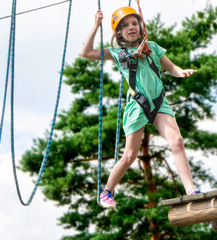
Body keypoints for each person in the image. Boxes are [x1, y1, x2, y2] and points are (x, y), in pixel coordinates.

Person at [80, 7, 199, 209]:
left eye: (134, 23)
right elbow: (86, 53)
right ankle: (107, 191)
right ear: (119, 33)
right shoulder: (118, 53)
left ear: (140, 25)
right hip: (137, 105)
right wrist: (95, 26)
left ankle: (191, 190)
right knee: (129, 156)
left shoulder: (151, 47)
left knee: (177, 141)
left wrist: (181, 73)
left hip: (159, 102)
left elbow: (171, 68)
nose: (131, 28)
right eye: (125, 26)